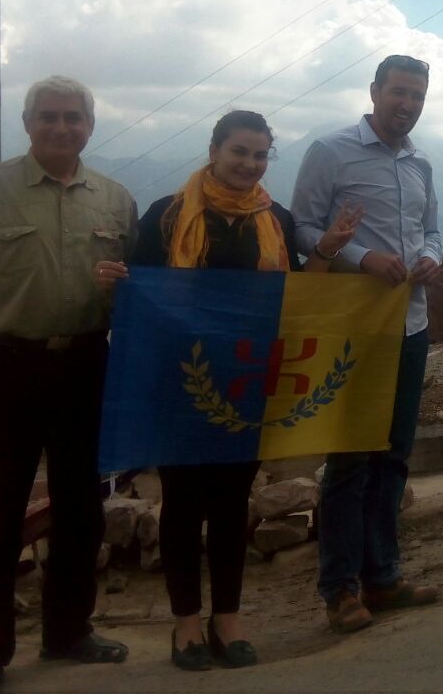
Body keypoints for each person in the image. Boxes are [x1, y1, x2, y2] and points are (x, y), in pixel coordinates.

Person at [94, 110, 359, 670]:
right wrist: (118, 283)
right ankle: (186, 623)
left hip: (246, 381)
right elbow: (140, 294)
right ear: (214, 150)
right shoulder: (168, 216)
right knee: (184, 502)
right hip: (180, 381)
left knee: (232, 502)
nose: (249, 164)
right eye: (239, 151)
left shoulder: (276, 220)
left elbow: (296, 295)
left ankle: (229, 619)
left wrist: (327, 250)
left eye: (260, 155)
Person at [0, 77, 135, 694]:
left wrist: (119, 294)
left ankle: (68, 631)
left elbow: (137, 294)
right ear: (27, 123)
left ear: (90, 125)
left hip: (86, 367)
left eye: (73, 117)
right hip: (5, 369)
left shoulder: (115, 200)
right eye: (48, 116)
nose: (61, 127)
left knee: (82, 510)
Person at [291, 54, 443, 632]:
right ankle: (339, 589)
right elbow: (302, 228)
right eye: (398, 91)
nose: (407, 104)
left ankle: (384, 578)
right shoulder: (331, 151)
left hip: (410, 326)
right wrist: (361, 257)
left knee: (392, 457)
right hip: (354, 329)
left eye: (417, 95)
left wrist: (429, 257)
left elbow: (432, 230)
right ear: (375, 90)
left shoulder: (421, 161)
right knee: (350, 460)